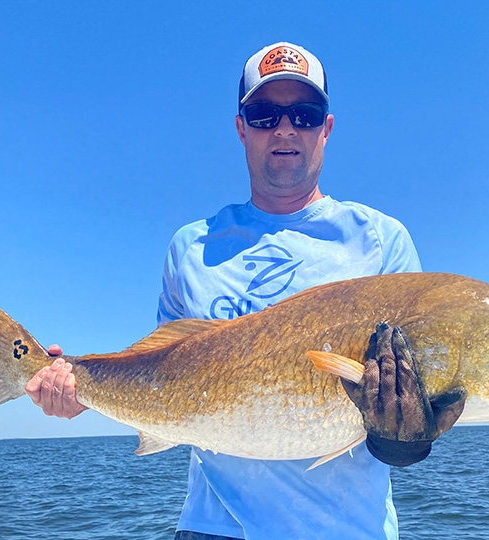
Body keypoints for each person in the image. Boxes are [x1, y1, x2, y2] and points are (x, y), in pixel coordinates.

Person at [25, 42, 466, 540]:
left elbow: (410, 395)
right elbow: (160, 376)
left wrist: (407, 437)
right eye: (263, 114)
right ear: (240, 129)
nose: (284, 128)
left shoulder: (383, 241)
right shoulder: (190, 248)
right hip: (212, 529)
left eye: (304, 113)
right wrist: (75, 386)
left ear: (327, 127)